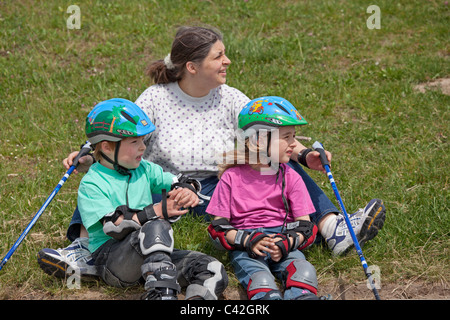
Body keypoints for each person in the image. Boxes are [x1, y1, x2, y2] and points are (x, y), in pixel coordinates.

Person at [37, 26, 386, 281]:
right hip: (167, 187)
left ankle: (333, 229)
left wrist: (304, 154)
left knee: (279, 171)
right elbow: (123, 138)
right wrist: (90, 155)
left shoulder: (232, 97)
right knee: (111, 176)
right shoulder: (156, 98)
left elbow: (268, 136)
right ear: (192, 66)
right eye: (219, 56)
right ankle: (83, 247)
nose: (227, 61)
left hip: (223, 188)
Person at [73, 98, 228, 300]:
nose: (143, 148)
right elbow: (115, 226)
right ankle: (161, 294)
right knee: (155, 226)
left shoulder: (144, 169)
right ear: (107, 147)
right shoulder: (92, 183)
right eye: (134, 142)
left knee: (212, 268)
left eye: (143, 141)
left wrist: (187, 189)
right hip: (113, 260)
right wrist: (157, 211)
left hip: (151, 255)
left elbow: (177, 180)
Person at [208, 96, 324, 300]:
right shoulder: (231, 178)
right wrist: (248, 240)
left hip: (283, 241)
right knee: (261, 280)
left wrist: (288, 242)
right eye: (287, 137)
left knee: (303, 272)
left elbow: (306, 227)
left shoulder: (291, 177)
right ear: (258, 139)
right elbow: (218, 229)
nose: (293, 144)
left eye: (294, 137)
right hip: (248, 246)